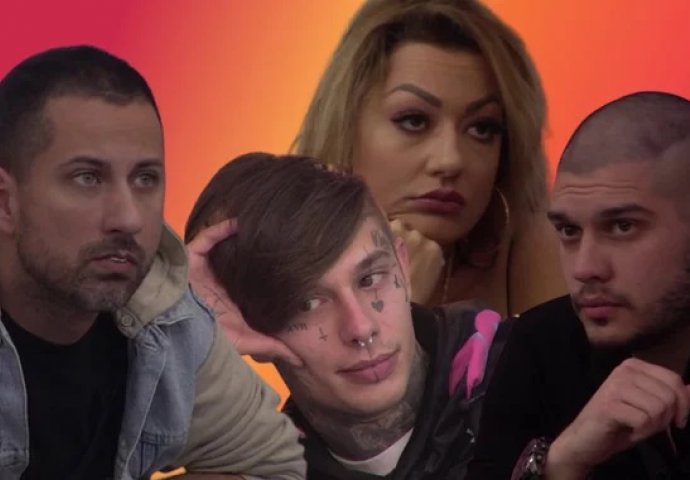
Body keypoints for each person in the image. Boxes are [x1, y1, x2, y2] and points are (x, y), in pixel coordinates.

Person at [0, 46, 304, 480]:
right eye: (88, 178)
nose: (128, 218)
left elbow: (272, 462)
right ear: (6, 203)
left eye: (145, 179)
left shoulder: (165, 314)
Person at [184, 152, 512, 479]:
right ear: (248, 323)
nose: (361, 328)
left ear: (402, 266)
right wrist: (180, 330)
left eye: (369, 279)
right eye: (308, 303)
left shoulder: (528, 370)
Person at [466, 91, 690, 479]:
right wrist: (563, 461)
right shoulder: (540, 343)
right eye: (569, 231)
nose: (585, 268)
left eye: (622, 227)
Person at [292, 0, 565, 315]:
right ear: (344, 126)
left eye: (482, 128)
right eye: (414, 121)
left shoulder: (536, 246)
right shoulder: (279, 261)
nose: (450, 160)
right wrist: (399, 302)